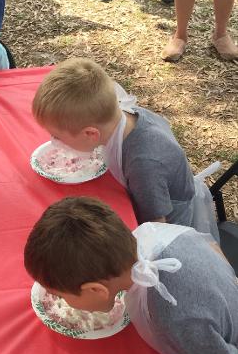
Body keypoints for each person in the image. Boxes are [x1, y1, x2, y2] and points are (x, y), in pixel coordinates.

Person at [24, 196, 238, 354]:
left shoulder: (172, 318)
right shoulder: (150, 235)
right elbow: (212, 247)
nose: (62, 302)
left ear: (96, 290)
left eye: (62, 296)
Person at [32, 58, 199, 228]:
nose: (53, 142)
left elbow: (157, 227)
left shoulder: (143, 165)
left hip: (171, 224)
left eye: (57, 137)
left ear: (90, 134)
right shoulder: (123, 115)